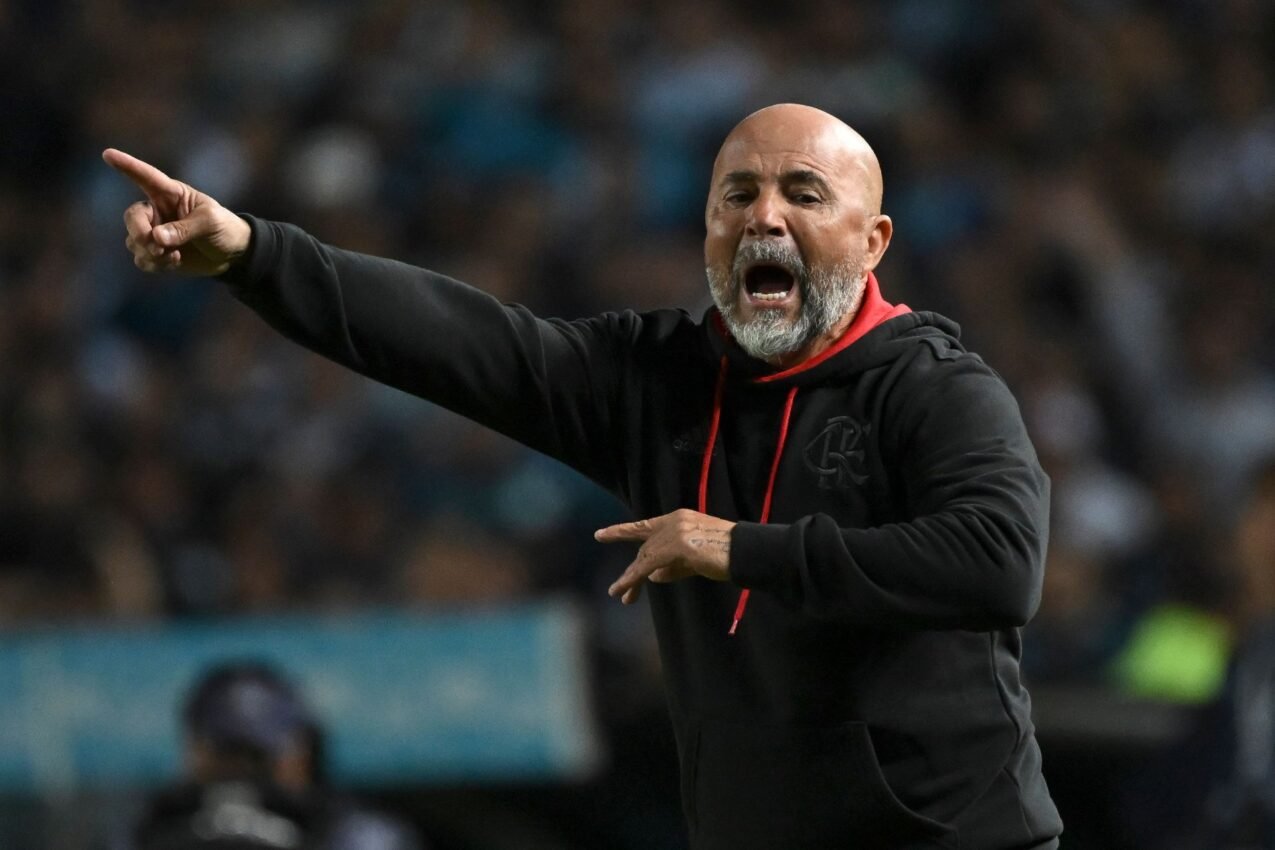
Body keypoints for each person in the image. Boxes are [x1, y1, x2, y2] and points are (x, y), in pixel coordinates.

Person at [105, 103, 1062, 849]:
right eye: (737, 195)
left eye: (804, 194)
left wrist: (741, 549)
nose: (763, 216)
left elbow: (998, 565)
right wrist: (254, 255)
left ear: (873, 240)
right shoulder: (655, 383)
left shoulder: (936, 390)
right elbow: (455, 340)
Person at [119, 661, 423, 850]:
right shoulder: (144, 830)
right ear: (196, 754)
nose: (242, 774)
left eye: (257, 757)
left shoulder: (359, 836)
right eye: (229, 755)